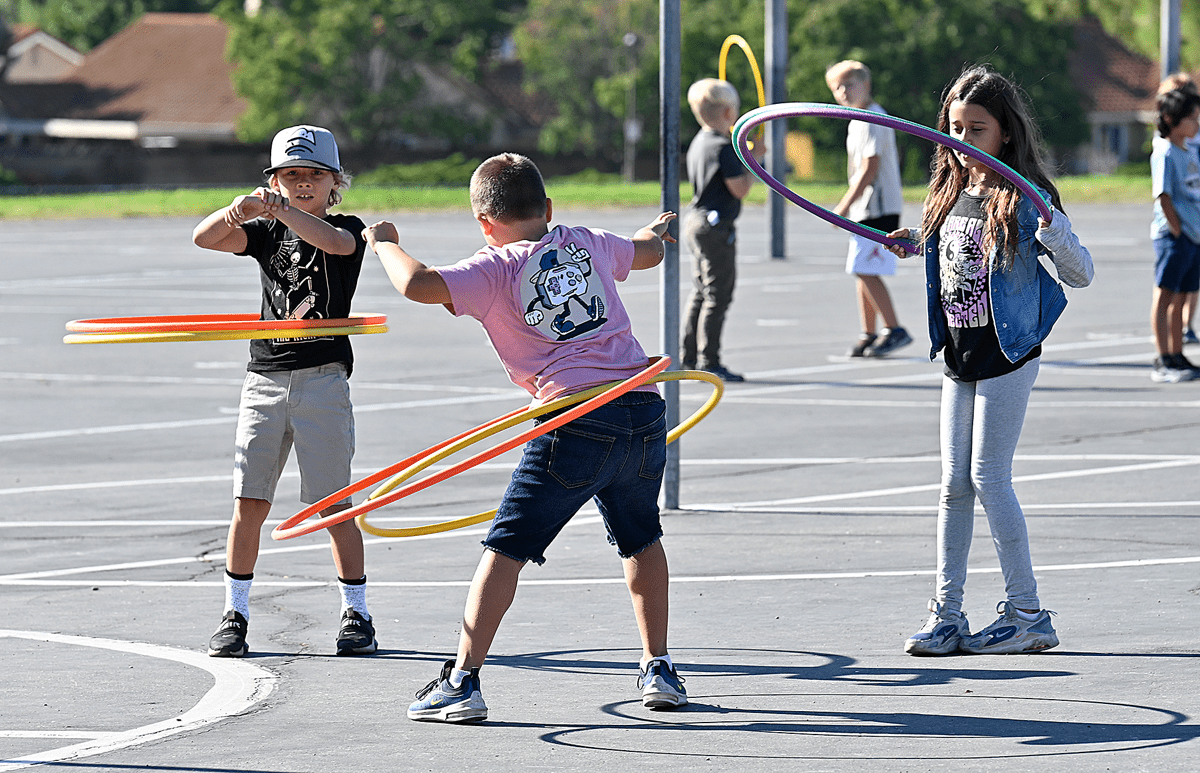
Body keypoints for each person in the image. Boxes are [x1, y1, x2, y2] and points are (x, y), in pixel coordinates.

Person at [363, 153, 685, 722]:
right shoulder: (585, 240)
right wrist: (654, 231)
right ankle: (658, 668)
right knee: (642, 537)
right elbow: (649, 252)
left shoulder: (495, 267)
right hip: (640, 408)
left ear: (484, 222)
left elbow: (416, 284)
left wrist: (384, 241)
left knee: (506, 547)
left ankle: (462, 680)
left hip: (573, 419)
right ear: (549, 209)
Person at [884, 66, 1093, 655]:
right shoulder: (950, 192)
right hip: (960, 355)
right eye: (954, 128)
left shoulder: (1028, 197)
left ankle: (1027, 613)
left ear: (1005, 133)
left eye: (977, 129)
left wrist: (1056, 234)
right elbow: (952, 249)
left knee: (988, 478)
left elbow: (1081, 274)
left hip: (1008, 354)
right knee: (952, 483)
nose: (962, 140)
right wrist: (914, 241)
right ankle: (946, 613)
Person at [192, 125, 377, 658]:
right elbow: (203, 238)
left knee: (333, 505)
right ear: (273, 179)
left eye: (312, 175)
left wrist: (281, 211)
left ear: (334, 182)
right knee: (249, 501)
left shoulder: (347, 228)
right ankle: (235, 612)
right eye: (289, 175)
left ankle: (356, 613)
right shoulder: (267, 234)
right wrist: (237, 212)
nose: (300, 184)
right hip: (266, 378)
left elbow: (335, 244)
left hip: (322, 378)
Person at [825, 60, 913, 358]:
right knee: (862, 270)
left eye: (848, 84)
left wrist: (843, 206)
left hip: (878, 208)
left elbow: (870, 167)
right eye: (836, 87)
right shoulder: (856, 121)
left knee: (863, 269)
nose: (842, 91)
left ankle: (894, 328)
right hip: (864, 210)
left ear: (866, 85)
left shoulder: (874, 118)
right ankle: (869, 331)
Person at [680, 78, 756, 382]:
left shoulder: (701, 141)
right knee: (717, 294)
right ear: (727, 113)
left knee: (701, 291)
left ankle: (689, 354)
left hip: (695, 220)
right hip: (715, 225)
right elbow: (739, 188)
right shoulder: (725, 147)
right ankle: (708, 358)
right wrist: (754, 158)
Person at [1156, 74, 1200, 345]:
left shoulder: (1189, 152)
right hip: (1178, 237)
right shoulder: (1165, 152)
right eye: (1193, 118)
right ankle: (1165, 358)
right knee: (1166, 298)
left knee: (1183, 296)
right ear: (1173, 119)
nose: (1197, 123)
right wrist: (1177, 230)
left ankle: (1177, 353)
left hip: (1193, 236)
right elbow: (1163, 196)